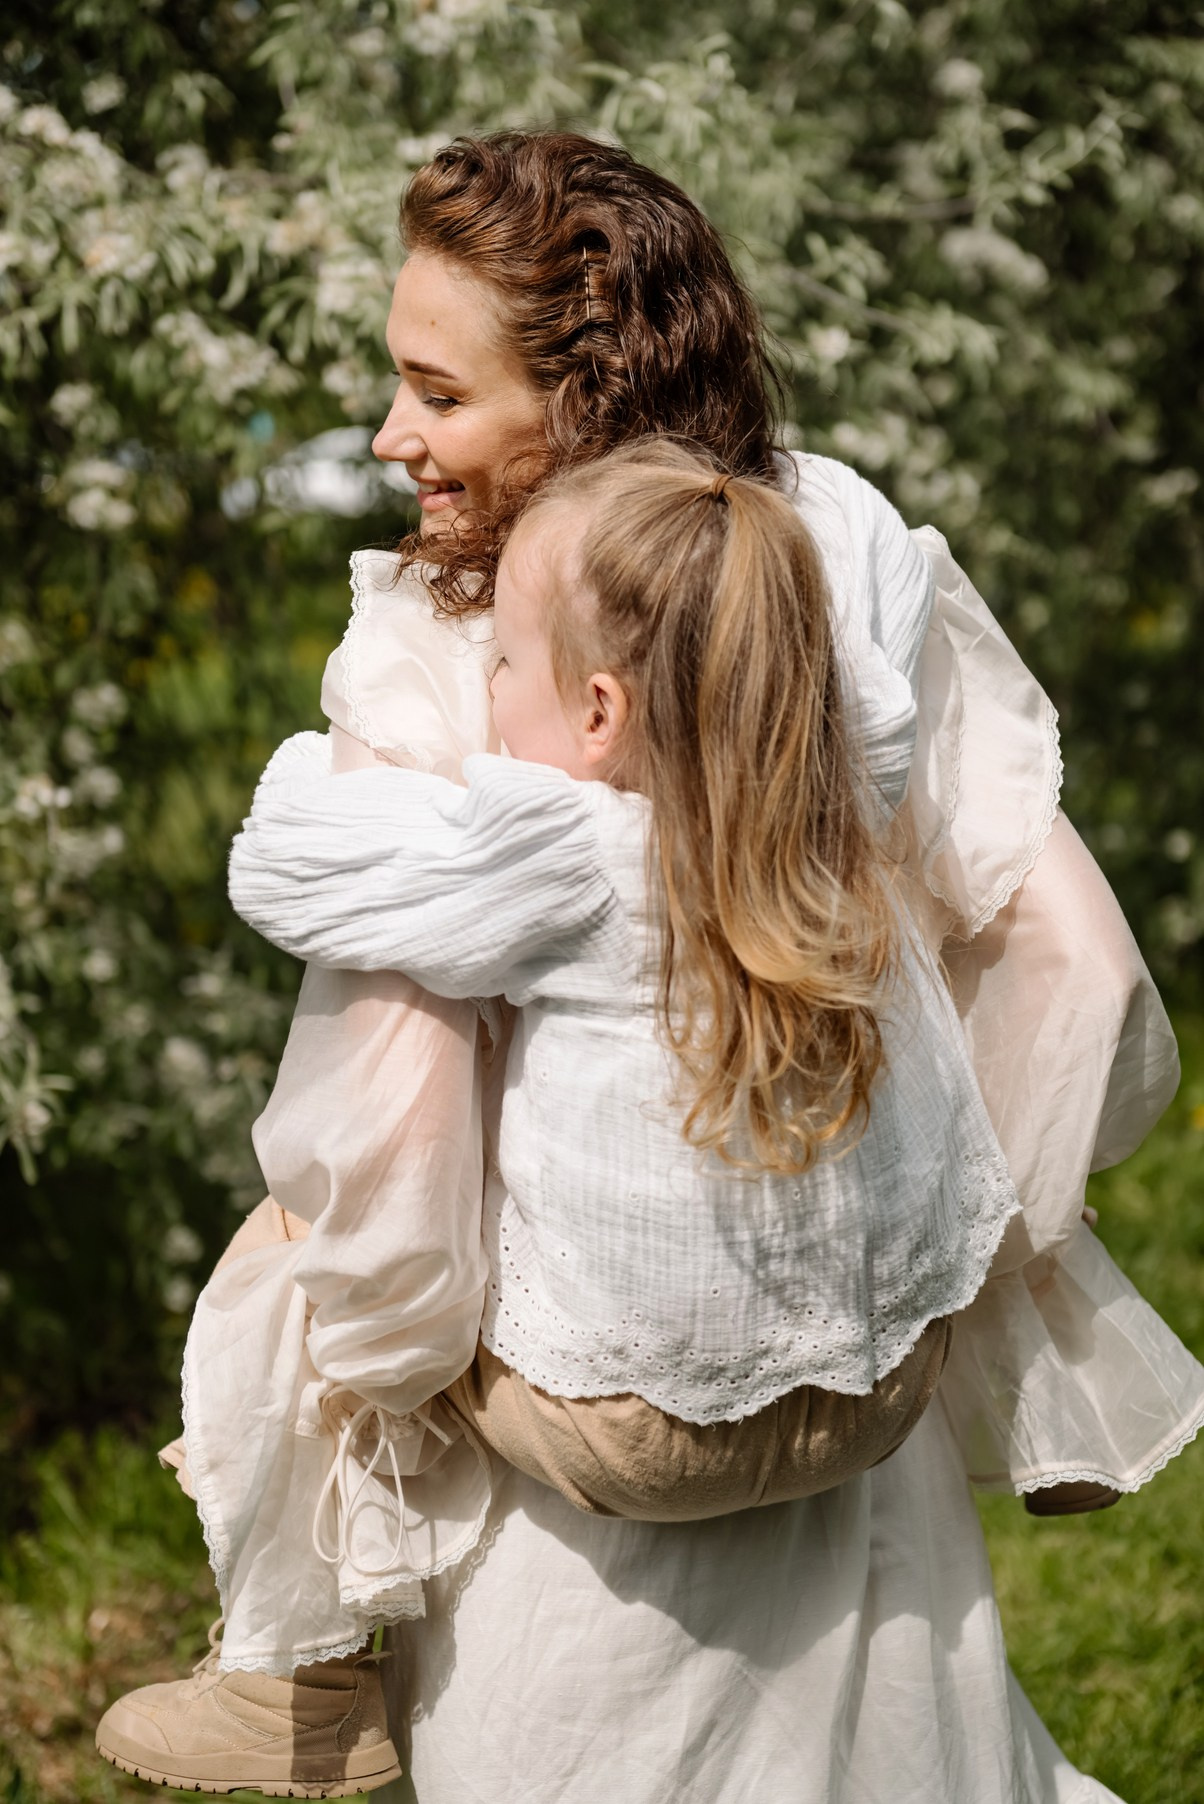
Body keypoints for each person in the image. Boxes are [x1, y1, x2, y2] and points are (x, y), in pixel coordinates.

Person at [95, 131, 1202, 1804]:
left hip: (573, 1499)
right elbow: (1082, 965)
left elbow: (383, 1131)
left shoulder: (461, 650)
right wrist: (950, 1255)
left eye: (436, 394)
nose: (390, 436)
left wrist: (392, 1387)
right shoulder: (835, 548)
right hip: (859, 1400)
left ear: (587, 400)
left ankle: (301, 1674)